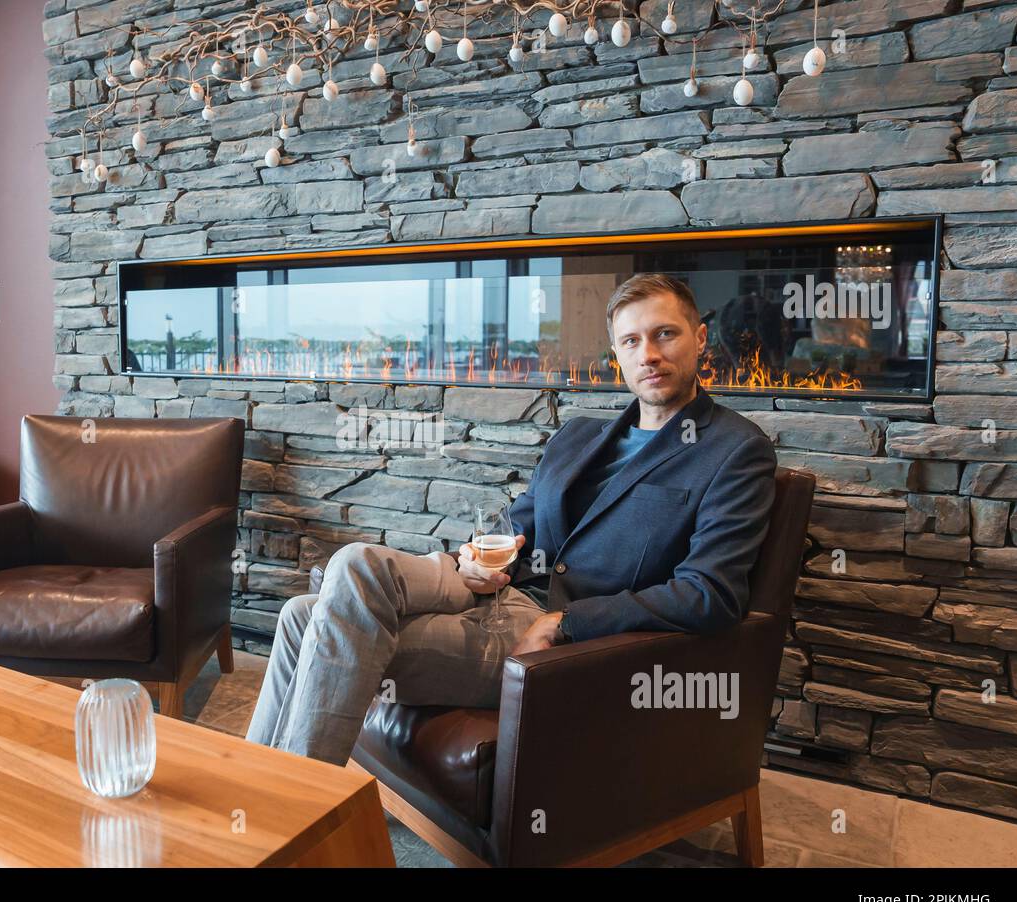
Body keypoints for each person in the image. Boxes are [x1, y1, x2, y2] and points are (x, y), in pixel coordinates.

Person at [246, 273, 779, 766]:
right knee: (350, 566)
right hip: (491, 590)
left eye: (666, 334)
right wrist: (472, 561)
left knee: (303, 619)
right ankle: (263, 797)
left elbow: (711, 593)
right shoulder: (581, 434)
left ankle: (291, 814)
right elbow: (516, 525)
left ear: (701, 339)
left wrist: (567, 622)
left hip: (556, 640)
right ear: (616, 353)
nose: (650, 354)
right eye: (631, 341)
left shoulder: (734, 450)